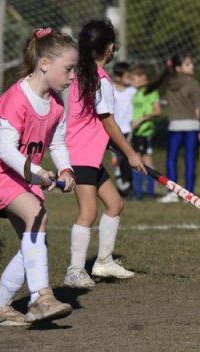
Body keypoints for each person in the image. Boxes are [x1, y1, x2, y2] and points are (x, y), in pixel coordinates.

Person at [0, 28, 77, 325]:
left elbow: (57, 143)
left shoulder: (57, 104)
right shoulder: (15, 99)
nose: (72, 77)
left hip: (24, 178)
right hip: (4, 173)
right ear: (44, 64)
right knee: (38, 217)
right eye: (68, 69)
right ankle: (40, 299)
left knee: (35, 243)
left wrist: (66, 169)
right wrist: (35, 172)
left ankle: (1, 303)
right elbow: (5, 150)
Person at [64, 19, 146, 288]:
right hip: (82, 155)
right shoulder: (100, 80)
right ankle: (75, 271)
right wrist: (131, 154)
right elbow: (108, 121)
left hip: (88, 152)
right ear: (109, 48)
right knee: (88, 212)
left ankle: (104, 262)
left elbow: (94, 121)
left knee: (115, 204)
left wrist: (113, 145)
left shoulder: (83, 75)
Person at [156, 54, 200, 203]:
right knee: (190, 159)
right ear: (178, 68)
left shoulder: (168, 83)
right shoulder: (193, 84)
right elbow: (199, 108)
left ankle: (172, 193)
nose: (192, 66)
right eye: (187, 64)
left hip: (175, 125)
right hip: (192, 125)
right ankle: (189, 194)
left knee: (171, 159)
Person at [129, 63, 160, 199]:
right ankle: (138, 192)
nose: (132, 81)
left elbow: (157, 111)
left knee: (147, 160)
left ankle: (150, 191)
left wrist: (142, 119)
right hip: (135, 132)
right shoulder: (135, 93)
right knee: (136, 160)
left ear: (144, 79)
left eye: (135, 78)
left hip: (145, 132)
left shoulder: (152, 93)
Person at [110, 61, 136, 196]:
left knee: (128, 158)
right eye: (127, 75)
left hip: (128, 131)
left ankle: (129, 185)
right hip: (115, 130)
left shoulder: (133, 91)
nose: (130, 78)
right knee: (118, 159)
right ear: (119, 77)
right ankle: (122, 185)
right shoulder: (111, 89)